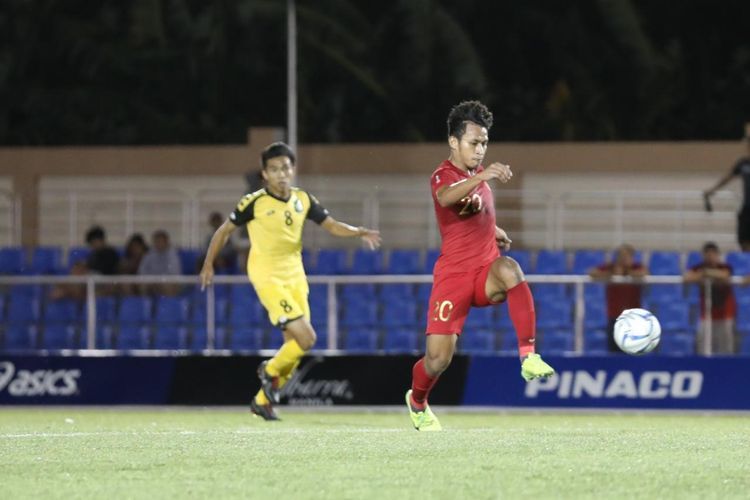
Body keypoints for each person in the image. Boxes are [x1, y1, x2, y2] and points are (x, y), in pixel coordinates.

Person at [200, 141, 381, 421]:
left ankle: (261, 402)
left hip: (295, 275)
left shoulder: (303, 199)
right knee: (307, 338)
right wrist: (208, 263)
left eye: (285, 168)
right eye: (274, 169)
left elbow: (331, 225)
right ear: (264, 174)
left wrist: (358, 231)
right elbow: (224, 231)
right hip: (267, 275)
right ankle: (269, 371)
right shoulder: (254, 202)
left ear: (293, 170)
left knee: (294, 350)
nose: (281, 174)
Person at [405, 101, 554, 432]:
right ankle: (417, 401)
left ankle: (528, 355)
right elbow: (446, 199)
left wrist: (494, 230)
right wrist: (484, 175)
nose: (480, 150)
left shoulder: (479, 180)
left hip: (485, 271)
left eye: (484, 143)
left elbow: (477, 213)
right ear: (454, 142)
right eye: (474, 143)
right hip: (453, 276)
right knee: (438, 359)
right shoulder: (444, 174)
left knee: (511, 270)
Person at [588, 244, 648, 353]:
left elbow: (645, 273)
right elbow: (592, 272)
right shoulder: (610, 267)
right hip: (614, 316)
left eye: (627, 256)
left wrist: (626, 273)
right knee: (614, 350)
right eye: (622, 255)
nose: (624, 258)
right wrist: (611, 274)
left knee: (633, 349)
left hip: (633, 318)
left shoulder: (636, 267)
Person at [683, 242, 736, 354]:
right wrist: (703, 274)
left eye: (713, 254)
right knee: (703, 348)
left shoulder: (724, 267)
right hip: (706, 316)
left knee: (725, 349)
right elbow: (687, 278)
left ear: (717, 255)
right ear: (704, 256)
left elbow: (725, 275)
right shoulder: (699, 267)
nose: (711, 257)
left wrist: (707, 273)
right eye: (708, 255)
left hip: (724, 315)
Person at [704, 123, 750, 251]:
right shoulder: (742, 163)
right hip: (747, 207)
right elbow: (727, 178)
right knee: (743, 240)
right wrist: (712, 190)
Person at [138, 229, 182, 296]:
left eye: (160, 241)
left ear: (166, 242)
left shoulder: (172, 255)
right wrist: (152, 280)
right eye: (156, 241)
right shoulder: (149, 254)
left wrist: (160, 280)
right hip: (152, 281)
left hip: (167, 282)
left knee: (167, 286)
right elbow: (142, 270)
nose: (158, 244)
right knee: (142, 286)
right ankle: (145, 304)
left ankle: (168, 304)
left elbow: (173, 274)